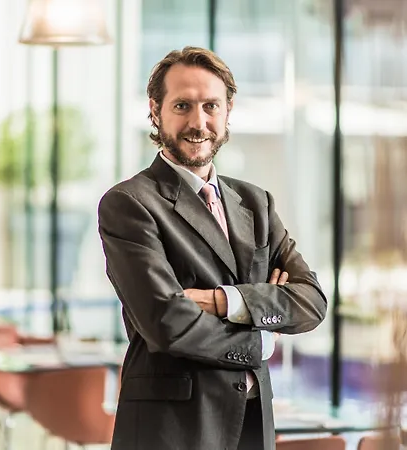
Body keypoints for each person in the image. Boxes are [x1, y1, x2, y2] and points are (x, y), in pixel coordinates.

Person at [98, 46, 327, 450]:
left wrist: (225, 301)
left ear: (227, 110)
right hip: (172, 431)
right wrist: (260, 338)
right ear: (155, 110)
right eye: (182, 105)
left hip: (253, 425)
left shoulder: (256, 203)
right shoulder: (130, 203)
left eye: (210, 106)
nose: (198, 122)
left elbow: (311, 301)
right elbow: (168, 322)